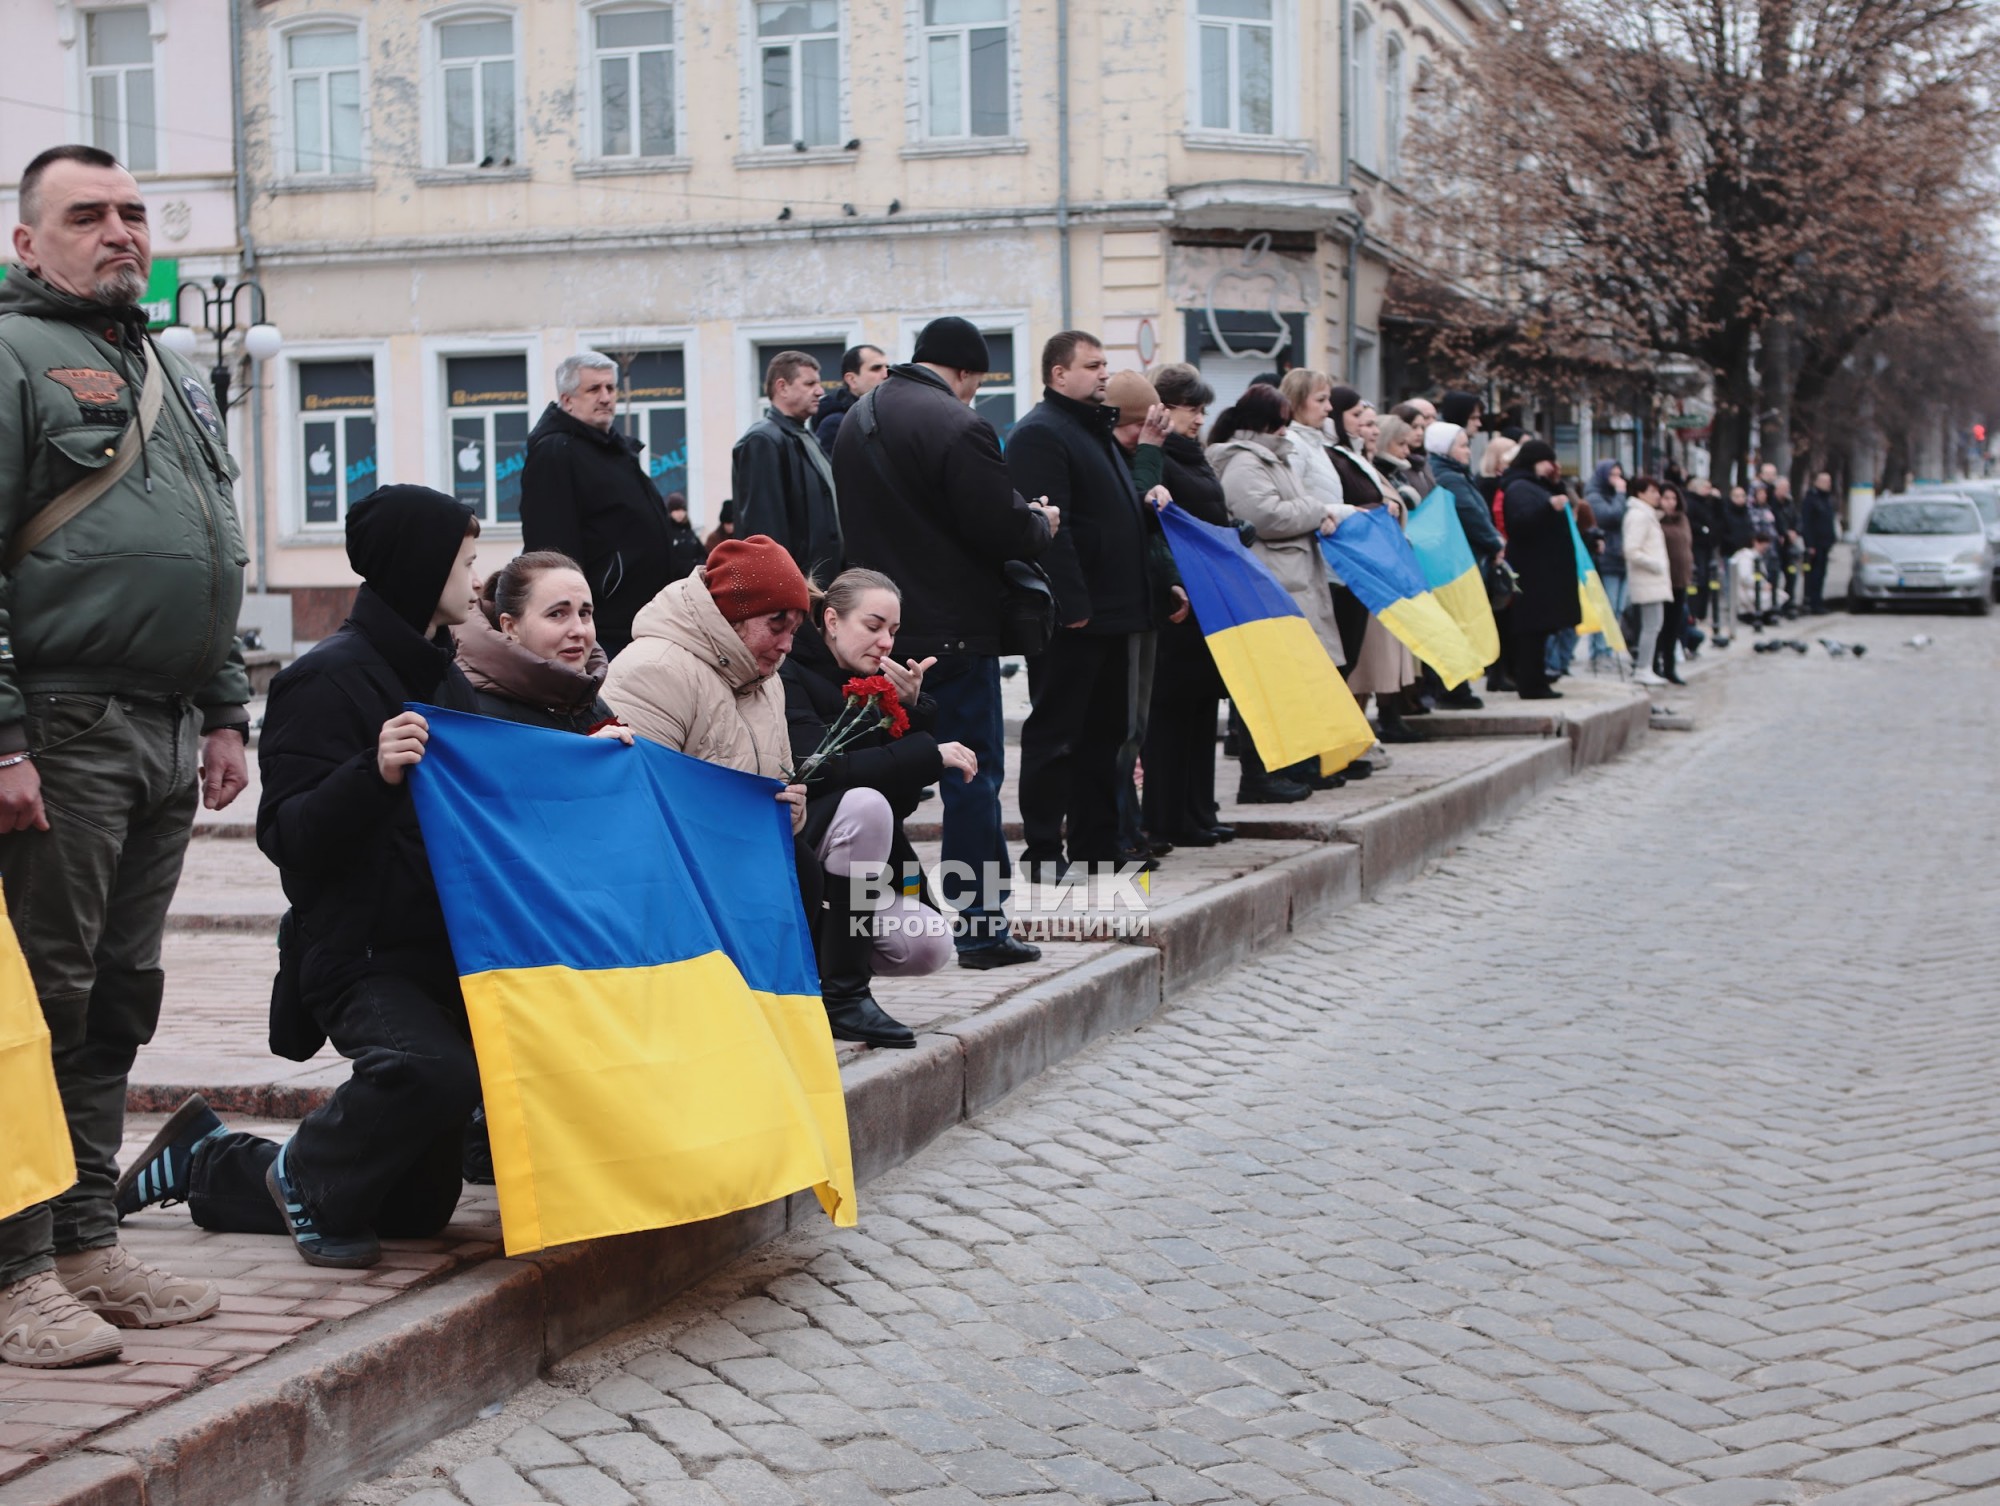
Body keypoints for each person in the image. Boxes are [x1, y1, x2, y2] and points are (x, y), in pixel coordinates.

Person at [0, 144, 255, 1366]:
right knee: (36, 1006)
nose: (121, 232)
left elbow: (215, 542)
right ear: (26, 242)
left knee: (117, 999)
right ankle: (17, 1270)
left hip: (160, 727)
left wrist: (225, 707)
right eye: (88, 214)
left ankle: (88, 1241)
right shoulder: (12, 356)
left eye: (135, 213)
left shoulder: (165, 365)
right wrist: (4, 737)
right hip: (62, 726)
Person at [111, 487, 486, 1275]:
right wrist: (373, 772)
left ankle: (212, 1159)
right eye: (465, 561)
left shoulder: (446, 680)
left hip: (435, 953)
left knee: (414, 1208)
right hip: (357, 953)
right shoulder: (323, 680)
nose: (476, 577)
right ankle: (305, 1184)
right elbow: (288, 835)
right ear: (421, 568)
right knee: (431, 1072)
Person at [830, 315, 1054, 969]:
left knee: (882, 785)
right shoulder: (958, 423)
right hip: (953, 633)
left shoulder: (858, 417)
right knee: (970, 776)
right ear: (965, 371)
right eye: (976, 381)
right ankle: (981, 928)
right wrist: (1040, 523)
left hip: (878, 633)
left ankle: (872, 925)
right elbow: (1001, 526)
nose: (974, 392)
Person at [782, 569, 963, 1049]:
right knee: (864, 805)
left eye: (894, 631)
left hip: (849, 868)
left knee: (926, 944)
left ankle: (829, 967)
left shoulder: (873, 683)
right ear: (832, 621)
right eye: (873, 625)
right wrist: (927, 752)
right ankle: (843, 996)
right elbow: (817, 769)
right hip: (790, 846)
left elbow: (898, 807)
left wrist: (911, 712)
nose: (886, 642)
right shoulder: (788, 670)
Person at [1005, 331, 1159, 880]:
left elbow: (1112, 517)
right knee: (1056, 737)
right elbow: (1051, 527)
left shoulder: (1093, 429)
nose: (1103, 373)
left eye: (1104, 364)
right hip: (1074, 617)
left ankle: (1098, 845)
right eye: (1092, 365)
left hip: (1115, 612)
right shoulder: (1040, 433)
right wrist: (1070, 603)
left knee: (1104, 738)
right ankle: (1044, 852)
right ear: (1058, 374)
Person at [1210, 384, 1345, 802]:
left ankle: (1297, 766)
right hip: (1274, 579)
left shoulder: (1272, 457)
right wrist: (1317, 511)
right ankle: (1264, 774)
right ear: (1264, 423)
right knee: (1273, 683)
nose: (1286, 430)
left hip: (1293, 576)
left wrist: (1312, 510)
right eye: (1281, 423)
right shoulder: (1245, 462)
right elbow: (1264, 515)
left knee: (1295, 681)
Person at [520, 352, 677, 658]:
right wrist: (574, 619)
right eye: (593, 389)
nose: (606, 397)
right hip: (602, 627)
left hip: (641, 618)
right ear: (567, 400)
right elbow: (551, 548)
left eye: (610, 388)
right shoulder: (555, 452)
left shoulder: (612, 448)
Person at [1144, 363, 1234, 845]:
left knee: (1201, 713)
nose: (1200, 418)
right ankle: (1169, 816)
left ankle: (1200, 810)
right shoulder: (1158, 456)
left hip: (1208, 597)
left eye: (1203, 410)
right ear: (1164, 407)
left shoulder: (1193, 455)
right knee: (1172, 716)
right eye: (1192, 409)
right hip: (1179, 602)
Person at [1102, 371, 1189, 863]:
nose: (1154, 433)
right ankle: (1118, 829)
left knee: (1136, 728)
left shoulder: (1137, 454)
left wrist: (1170, 578)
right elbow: (1134, 512)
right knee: (1120, 729)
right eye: (1147, 425)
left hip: (1144, 601)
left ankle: (1130, 826)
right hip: (1117, 608)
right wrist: (1151, 453)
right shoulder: (1115, 455)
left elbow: (1155, 531)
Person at [453, 552, 634, 735]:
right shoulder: (477, 712)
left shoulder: (585, 698)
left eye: (584, 613)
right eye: (556, 614)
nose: (579, 630)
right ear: (510, 627)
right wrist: (584, 751)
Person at [1327, 393, 1423, 740]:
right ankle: (1357, 732)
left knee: (1372, 659)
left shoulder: (1367, 465)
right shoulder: (1342, 461)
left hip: (1382, 570)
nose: (1369, 429)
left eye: (1370, 423)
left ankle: (1372, 725)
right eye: (1361, 420)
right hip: (1360, 570)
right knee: (1362, 661)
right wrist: (1377, 508)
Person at [734, 352, 841, 586]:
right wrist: (783, 589)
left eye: (819, 383)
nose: (820, 391)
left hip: (819, 583)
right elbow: (764, 531)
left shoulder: (805, 436)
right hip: (798, 587)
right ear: (782, 387)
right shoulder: (763, 440)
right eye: (809, 384)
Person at [1423, 420, 1499, 706]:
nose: (1469, 451)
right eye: (1463, 446)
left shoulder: (1453, 473)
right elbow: (1471, 513)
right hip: (1457, 561)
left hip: (1461, 558)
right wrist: (1494, 542)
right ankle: (1454, 689)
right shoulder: (1451, 478)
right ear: (1445, 449)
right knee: (1459, 621)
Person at [1499, 441, 1580, 699]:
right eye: (1548, 461)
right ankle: (1531, 683)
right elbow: (1520, 523)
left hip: (1543, 569)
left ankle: (1538, 679)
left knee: (1541, 629)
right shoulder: (1519, 487)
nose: (1552, 467)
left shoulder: (1536, 485)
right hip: (1531, 570)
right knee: (1531, 630)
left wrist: (1556, 485)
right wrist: (1548, 507)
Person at [1622, 477, 1672, 687]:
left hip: (1652, 579)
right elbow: (1631, 550)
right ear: (1640, 493)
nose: (1657, 496)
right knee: (1651, 625)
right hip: (1648, 579)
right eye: (1652, 491)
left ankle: (1645, 667)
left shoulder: (1646, 515)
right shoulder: (1639, 516)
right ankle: (1643, 668)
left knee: (1653, 625)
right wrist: (1655, 565)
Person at [1584, 461, 1629, 665]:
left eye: (1619, 475)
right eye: (1613, 475)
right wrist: (1620, 494)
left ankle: (1608, 649)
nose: (1618, 480)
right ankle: (1599, 651)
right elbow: (1611, 516)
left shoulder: (1617, 497)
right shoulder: (1595, 497)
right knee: (1606, 607)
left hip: (1621, 558)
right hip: (1607, 559)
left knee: (1618, 608)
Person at [812, 344, 889, 458]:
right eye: (876, 368)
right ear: (852, 379)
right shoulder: (836, 423)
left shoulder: (886, 415)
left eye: (887, 367)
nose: (886, 374)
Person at [1657, 484, 1694, 684]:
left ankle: (1670, 667)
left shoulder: (1682, 519)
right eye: (1666, 498)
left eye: (1673, 498)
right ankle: (1654, 664)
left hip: (1680, 579)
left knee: (1673, 626)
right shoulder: (1655, 519)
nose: (1670, 502)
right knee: (1658, 625)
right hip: (1662, 580)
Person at [1800, 470, 1839, 614]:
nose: (1828, 484)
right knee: (1813, 575)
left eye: (1829, 481)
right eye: (1824, 481)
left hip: (1825, 543)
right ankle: (1812, 602)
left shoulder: (1827, 499)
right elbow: (1807, 523)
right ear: (1817, 482)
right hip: (1815, 544)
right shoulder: (1811, 499)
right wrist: (1809, 544)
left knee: (1821, 574)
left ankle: (1818, 601)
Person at [663, 493, 707, 583]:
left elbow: (703, 554)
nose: (679, 513)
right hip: (675, 581)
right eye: (676, 510)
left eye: (682, 510)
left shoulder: (689, 532)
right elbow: (668, 558)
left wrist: (697, 566)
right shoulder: (667, 532)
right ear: (670, 512)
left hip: (692, 579)